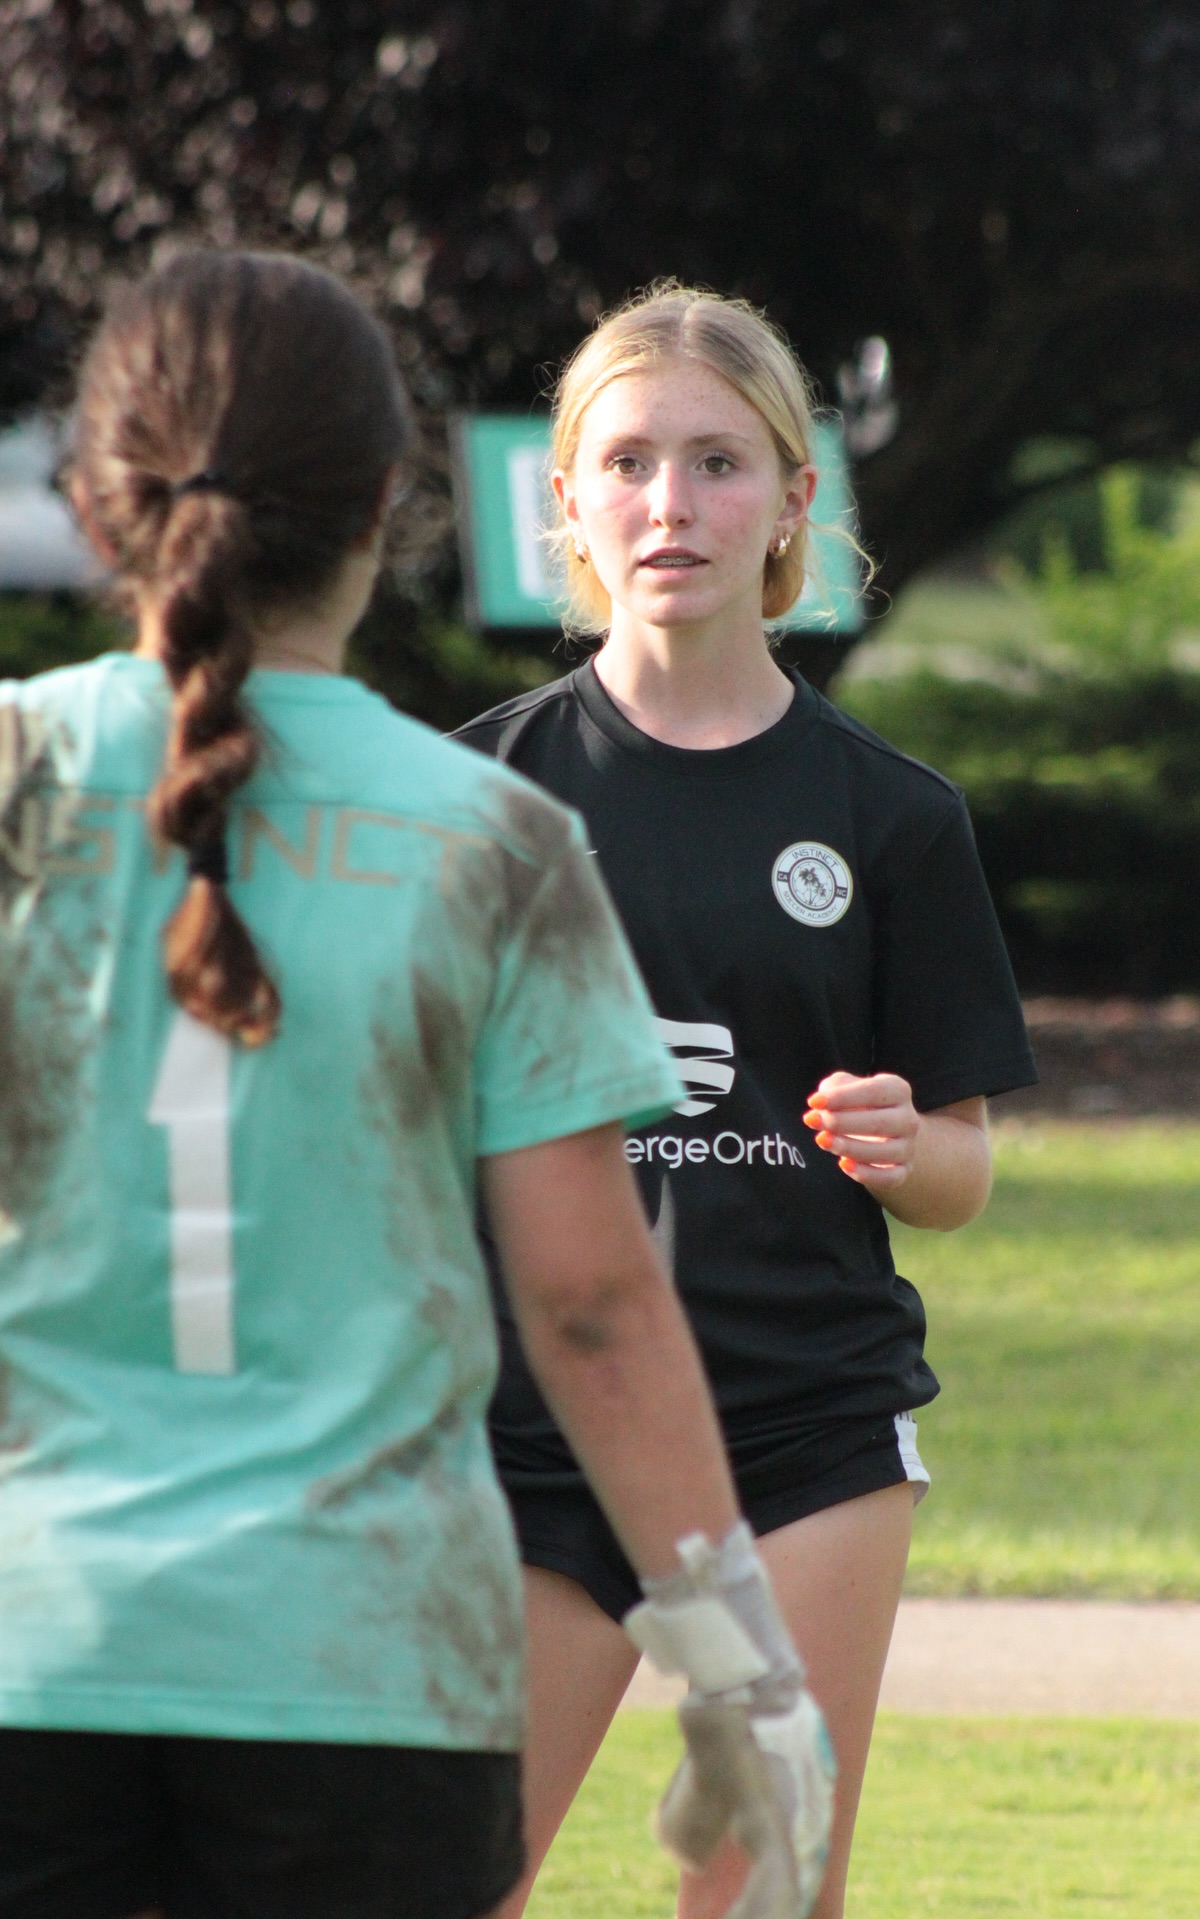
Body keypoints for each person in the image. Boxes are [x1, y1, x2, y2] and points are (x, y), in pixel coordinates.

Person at [0, 252, 833, 1919]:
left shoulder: (15, 777)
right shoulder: (491, 834)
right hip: (367, 1668)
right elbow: (592, 1299)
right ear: (388, 507)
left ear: (95, 507)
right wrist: (743, 1668)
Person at [454, 284, 1037, 1919]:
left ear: (795, 496)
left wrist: (902, 1143)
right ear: (563, 495)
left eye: (719, 463)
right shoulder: (479, 803)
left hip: (805, 1436)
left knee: (766, 1895)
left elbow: (963, 1174)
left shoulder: (893, 820)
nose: (671, 504)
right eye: (628, 460)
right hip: (531, 1443)